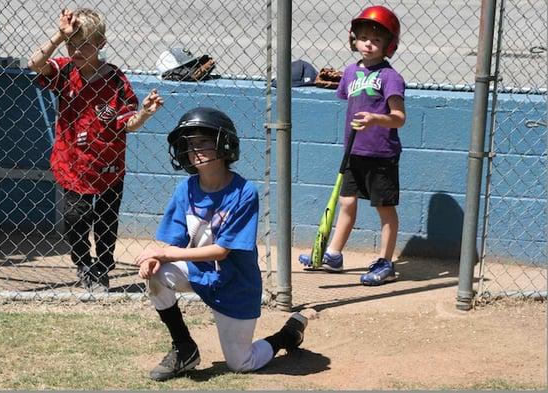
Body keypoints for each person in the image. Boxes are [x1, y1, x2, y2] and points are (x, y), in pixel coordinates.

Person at [135, 107, 308, 381]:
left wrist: (165, 253)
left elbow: (222, 251)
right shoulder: (186, 189)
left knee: (241, 363)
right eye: (190, 144)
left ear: (224, 145)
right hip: (198, 273)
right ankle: (184, 347)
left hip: (235, 285)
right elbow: (170, 241)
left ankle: (285, 335)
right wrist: (156, 257)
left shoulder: (244, 192)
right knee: (156, 273)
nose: (195, 150)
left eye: (203, 142)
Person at [28, 8, 164, 292]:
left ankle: (102, 267)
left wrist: (146, 113)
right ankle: (83, 263)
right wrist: (58, 36)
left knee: (105, 221)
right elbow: (35, 63)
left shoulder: (114, 79)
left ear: (101, 43)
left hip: (108, 166)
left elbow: (129, 124)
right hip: (73, 164)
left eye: (84, 44)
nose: (76, 50)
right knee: (74, 217)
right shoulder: (65, 71)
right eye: (71, 44)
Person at [299, 5, 406, 285]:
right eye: (363, 37)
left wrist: (375, 119)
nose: (369, 43)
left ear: (388, 45)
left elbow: (399, 118)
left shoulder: (390, 77)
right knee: (346, 203)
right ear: (353, 39)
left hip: (381, 154)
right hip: (353, 151)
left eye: (377, 40)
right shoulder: (349, 72)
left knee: (384, 208)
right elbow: (350, 100)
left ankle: (386, 263)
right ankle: (333, 254)